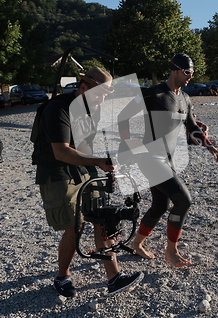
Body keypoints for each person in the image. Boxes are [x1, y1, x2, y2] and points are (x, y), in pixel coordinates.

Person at [33, 67, 143, 298]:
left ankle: (114, 279)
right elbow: (61, 152)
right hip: (58, 172)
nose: (102, 100)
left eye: (106, 95)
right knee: (76, 226)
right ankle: (62, 277)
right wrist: (99, 161)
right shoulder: (58, 109)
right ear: (83, 88)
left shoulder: (92, 109)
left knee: (102, 218)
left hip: (86, 168)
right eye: (100, 94)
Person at [118, 53, 218, 267]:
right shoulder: (152, 93)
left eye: (192, 73)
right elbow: (123, 117)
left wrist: (208, 143)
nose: (190, 76)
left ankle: (137, 245)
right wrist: (130, 142)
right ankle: (171, 252)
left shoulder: (185, 98)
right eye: (187, 72)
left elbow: (192, 127)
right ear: (174, 69)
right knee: (183, 200)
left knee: (160, 205)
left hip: (169, 160)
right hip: (149, 158)